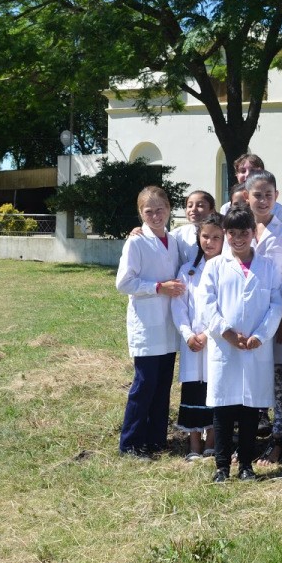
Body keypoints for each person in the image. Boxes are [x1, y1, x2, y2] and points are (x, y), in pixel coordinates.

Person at [201, 207, 282, 482]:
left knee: (251, 408)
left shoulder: (268, 267)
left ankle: (246, 465)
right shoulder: (214, 266)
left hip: (255, 347)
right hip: (225, 347)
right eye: (232, 233)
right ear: (226, 234)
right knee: (224, 408)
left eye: (244, 233)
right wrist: (226, 333)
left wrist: (260, 335)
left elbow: (275, 304)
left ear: (253, 233)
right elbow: (207, 304)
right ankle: (222, 466)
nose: (238, 239)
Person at [114, 186, 185, 457]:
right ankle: (130, 441)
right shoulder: (136, 241)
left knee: (163, 384)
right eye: (148, 211)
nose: (155, 215)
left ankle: (156, 438)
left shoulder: (174, 239)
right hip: (147, 323)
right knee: (144, 384)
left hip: (169, 323)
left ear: (168, 209)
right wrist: (158, 287)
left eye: (160, 210)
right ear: (140, 214)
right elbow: (124, 282)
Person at [244, 170, 282, 465]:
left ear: (277, 196)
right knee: (253, 376)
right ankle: (253, 436)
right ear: (246, 197)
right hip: (248, 320)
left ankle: (280, 437)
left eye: (268, 195)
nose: (263, 200)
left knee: (280, 378)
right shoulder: (238, 232)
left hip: (277, 319)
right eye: (257, 195)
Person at [172, 212, 224, 460]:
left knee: (216, 387)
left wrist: (207, 334)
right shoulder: (187, 271)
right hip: (192, 342)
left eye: (216, 237)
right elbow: (179, 306)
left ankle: (213, 440)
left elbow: (227, 308)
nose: (210, 242)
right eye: (205, 236)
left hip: (216, 341)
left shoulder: (228, 269)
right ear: (198, 237)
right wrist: (188, 334)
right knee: (193, 389)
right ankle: (194, 443)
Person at [220, 153, 282, 226]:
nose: (247, 174)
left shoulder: (279, 211)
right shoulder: (227, 208)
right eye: (243, 171)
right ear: (237, 175)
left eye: (253, 171)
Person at [172, 190, 216, 265]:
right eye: (189, 206)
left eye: (200, 205)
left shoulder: (221, 233)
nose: (193, 209)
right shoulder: (177, 234)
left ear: (212, 210)